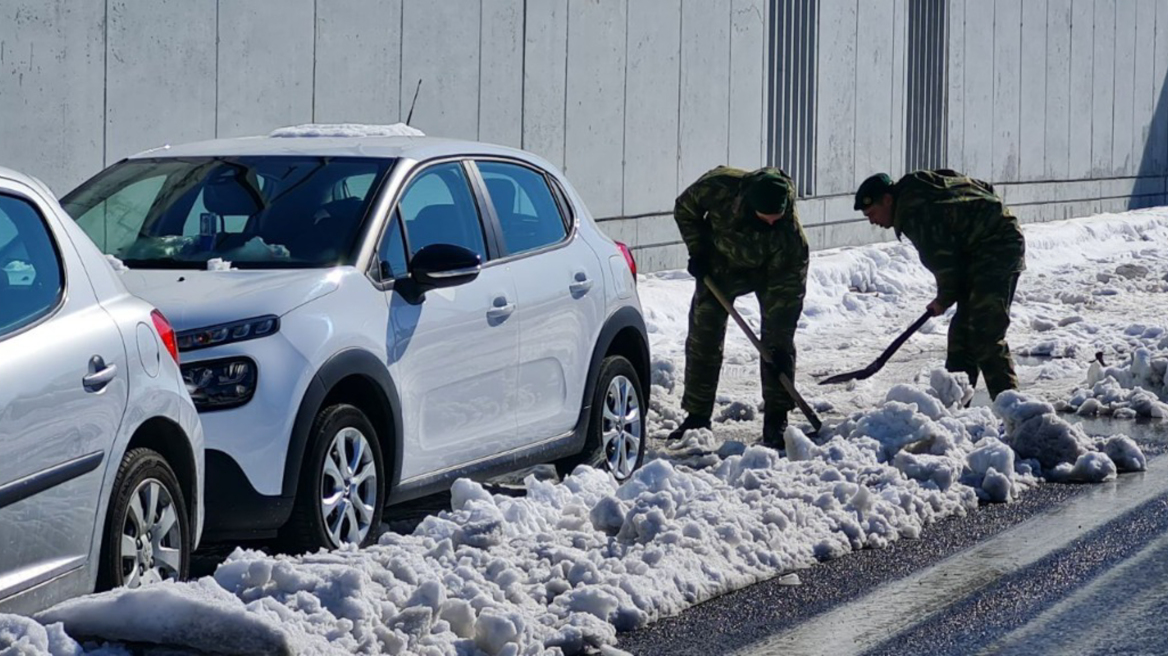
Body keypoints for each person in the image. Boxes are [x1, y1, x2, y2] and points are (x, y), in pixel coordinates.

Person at [666, 166, 809, 447]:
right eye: (764, 219)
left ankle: (777, 420)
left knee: (778, 344)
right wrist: (699, 250)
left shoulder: (791, 240)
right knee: (703, 334)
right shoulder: (717, 187)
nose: (771, 224)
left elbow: (789, 294)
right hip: (722, 263)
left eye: (775, 220)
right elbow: (684, 209)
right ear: (748, 205)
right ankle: (696, 417)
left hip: (777, 270)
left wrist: (780, 341)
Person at [854, 169, 1026, 400]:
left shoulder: (915, 213)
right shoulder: (921, 185)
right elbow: (982, 187)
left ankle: (1015, 410)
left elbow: (944, 264)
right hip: (976, 250)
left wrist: (943, 300)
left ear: (887, 200)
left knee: (985, 333)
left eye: (872, 213)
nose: (873, 221)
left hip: (998, 247)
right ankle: (953, 408)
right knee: (961, 336)